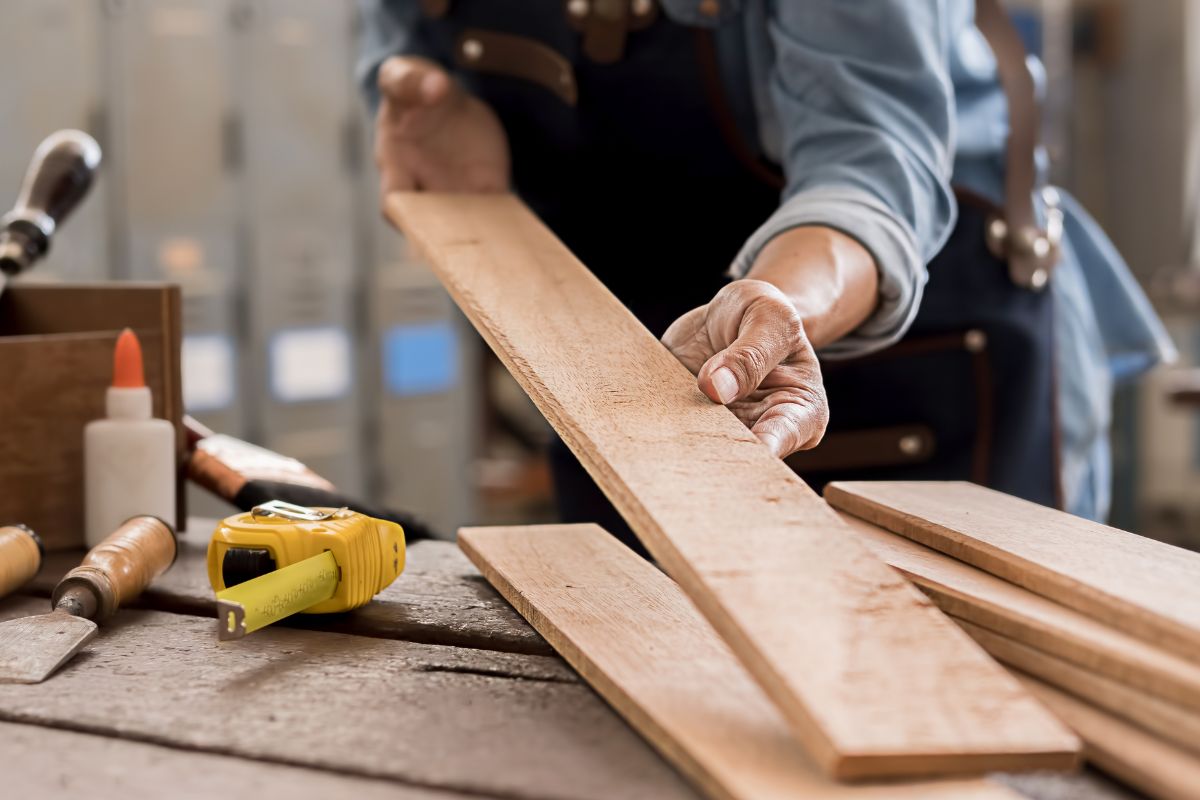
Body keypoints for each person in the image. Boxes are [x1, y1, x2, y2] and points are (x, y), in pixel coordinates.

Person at [358, 0, 1174, 547]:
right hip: (639, 354)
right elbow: (401, 31)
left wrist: (780, 304)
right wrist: (419, 92)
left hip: (899, 340)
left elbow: (869, 165)